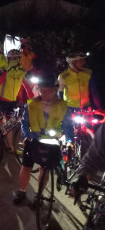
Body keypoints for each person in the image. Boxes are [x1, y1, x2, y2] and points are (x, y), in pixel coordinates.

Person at [12, 74, 74, 204]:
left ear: (54, 90)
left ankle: (39, 195)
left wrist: (69, 142)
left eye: (47, 91)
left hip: (52, 141)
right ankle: (22, 191)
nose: (44, 94)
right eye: (41, 91)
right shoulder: (32, 104)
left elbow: (68, 126)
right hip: (33, 139)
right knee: (26, 166)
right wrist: (26, 135)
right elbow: (24, 122)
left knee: (44, 169)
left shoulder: (63, 106)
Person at [0, 49, 34, 155]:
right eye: (13, 58)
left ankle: (10, 146)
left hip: (11, 102)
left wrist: (33, 100)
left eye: (17, 58)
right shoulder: (3, 69)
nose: (15, 60)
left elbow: (27, 86)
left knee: (10, 124)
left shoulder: (21, 71)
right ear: (9, 58)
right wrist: (7, 70)